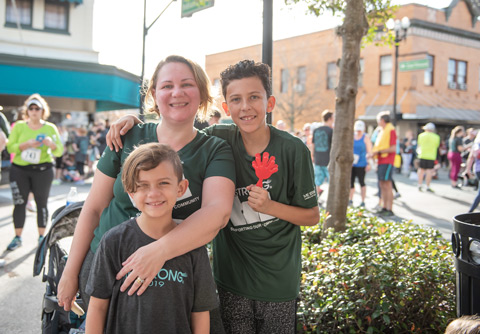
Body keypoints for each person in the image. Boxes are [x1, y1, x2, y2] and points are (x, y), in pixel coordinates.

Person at [111, 59, 320, 334]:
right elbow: (178, 131)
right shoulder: (217, 139)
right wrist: (136, 122)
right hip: (231, 280)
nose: (245, 107)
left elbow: (312, 216)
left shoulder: (294, 150)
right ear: (226, 108)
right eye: (236, 99)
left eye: (254, 97)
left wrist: (272, 207)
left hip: (279, 281)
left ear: (269, 103)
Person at [57, 55, 236, 323]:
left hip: (174, 270)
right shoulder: (126, 136)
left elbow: (217, 214)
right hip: (106, 266)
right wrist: (70, 273)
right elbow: (93, 208)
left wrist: (158, 251)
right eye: (166, 86)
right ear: (154, 94)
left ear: (201, 93)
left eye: (187, 84)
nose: (176, 92)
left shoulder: (214, 150)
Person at [86, 143, 217, 334]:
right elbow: (97, 307)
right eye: (142, 186)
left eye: (163, 183)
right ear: (131, 193)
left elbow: (200, 312)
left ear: (181, 188)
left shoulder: (193, 247)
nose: (153, 193)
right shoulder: (114, 241)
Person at [5, 94, 63, 251]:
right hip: (20, 170)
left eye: (37, 108)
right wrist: (25, 144)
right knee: (19, 203)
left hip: (43, 170)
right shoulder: (19, 126)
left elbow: (59, 151)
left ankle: (41, 237)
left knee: (41, 203)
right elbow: (10, 148)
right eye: (31, 108)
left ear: (43, 110)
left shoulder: (50, 127)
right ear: (27, 111)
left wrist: (51, 145)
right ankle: (17, 237)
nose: (34, 111)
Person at [371, 111, 397, 217]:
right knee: (382, 184)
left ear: (382, 120)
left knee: (387, 184)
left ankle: (389, 208)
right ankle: (384, 207)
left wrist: (378, 152)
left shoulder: (390, 130)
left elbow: (393, 148)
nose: (377, 123)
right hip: (382, 160)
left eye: (378, 121)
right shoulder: (382, 131)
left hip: (387, 161)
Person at [312, 109, 334, 196]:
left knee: (317, 181)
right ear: (330, 118)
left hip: (317, 159)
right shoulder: (331, 131)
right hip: (328, 160)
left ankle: (316, 199)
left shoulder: (316, 130)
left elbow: (313, 145)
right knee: (331, 181)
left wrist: (312, 156)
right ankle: (330, 199)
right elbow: (333, 146)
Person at [349, 120, 371, 207]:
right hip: (352, 164)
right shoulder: (352, 137)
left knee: (362, 182)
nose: (358, 132)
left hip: (362, 163)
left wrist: (368, 163)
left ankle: (362, 201)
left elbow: (369, 151)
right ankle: (350, 200)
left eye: (360, 130)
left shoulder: (365, 138)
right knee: (351, 183)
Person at [417, 122, 441, 192]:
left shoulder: (421, 135)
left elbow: (419, 145)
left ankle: (419, 185)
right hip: (431, 156)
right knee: (429, 172)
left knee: (421, 171)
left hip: (422, 155)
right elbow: (437, 146)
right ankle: (427, 186)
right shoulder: (436, 137)